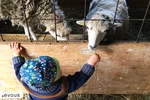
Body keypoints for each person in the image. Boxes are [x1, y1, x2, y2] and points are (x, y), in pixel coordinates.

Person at [10, 42, 100, 100]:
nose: (61, 70)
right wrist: (91, 63)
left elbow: (17, 68)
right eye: (59, 70)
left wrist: (16, 54)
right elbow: (81, 77)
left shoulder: (25, 79)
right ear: (55, 78)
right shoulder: (63, 87)